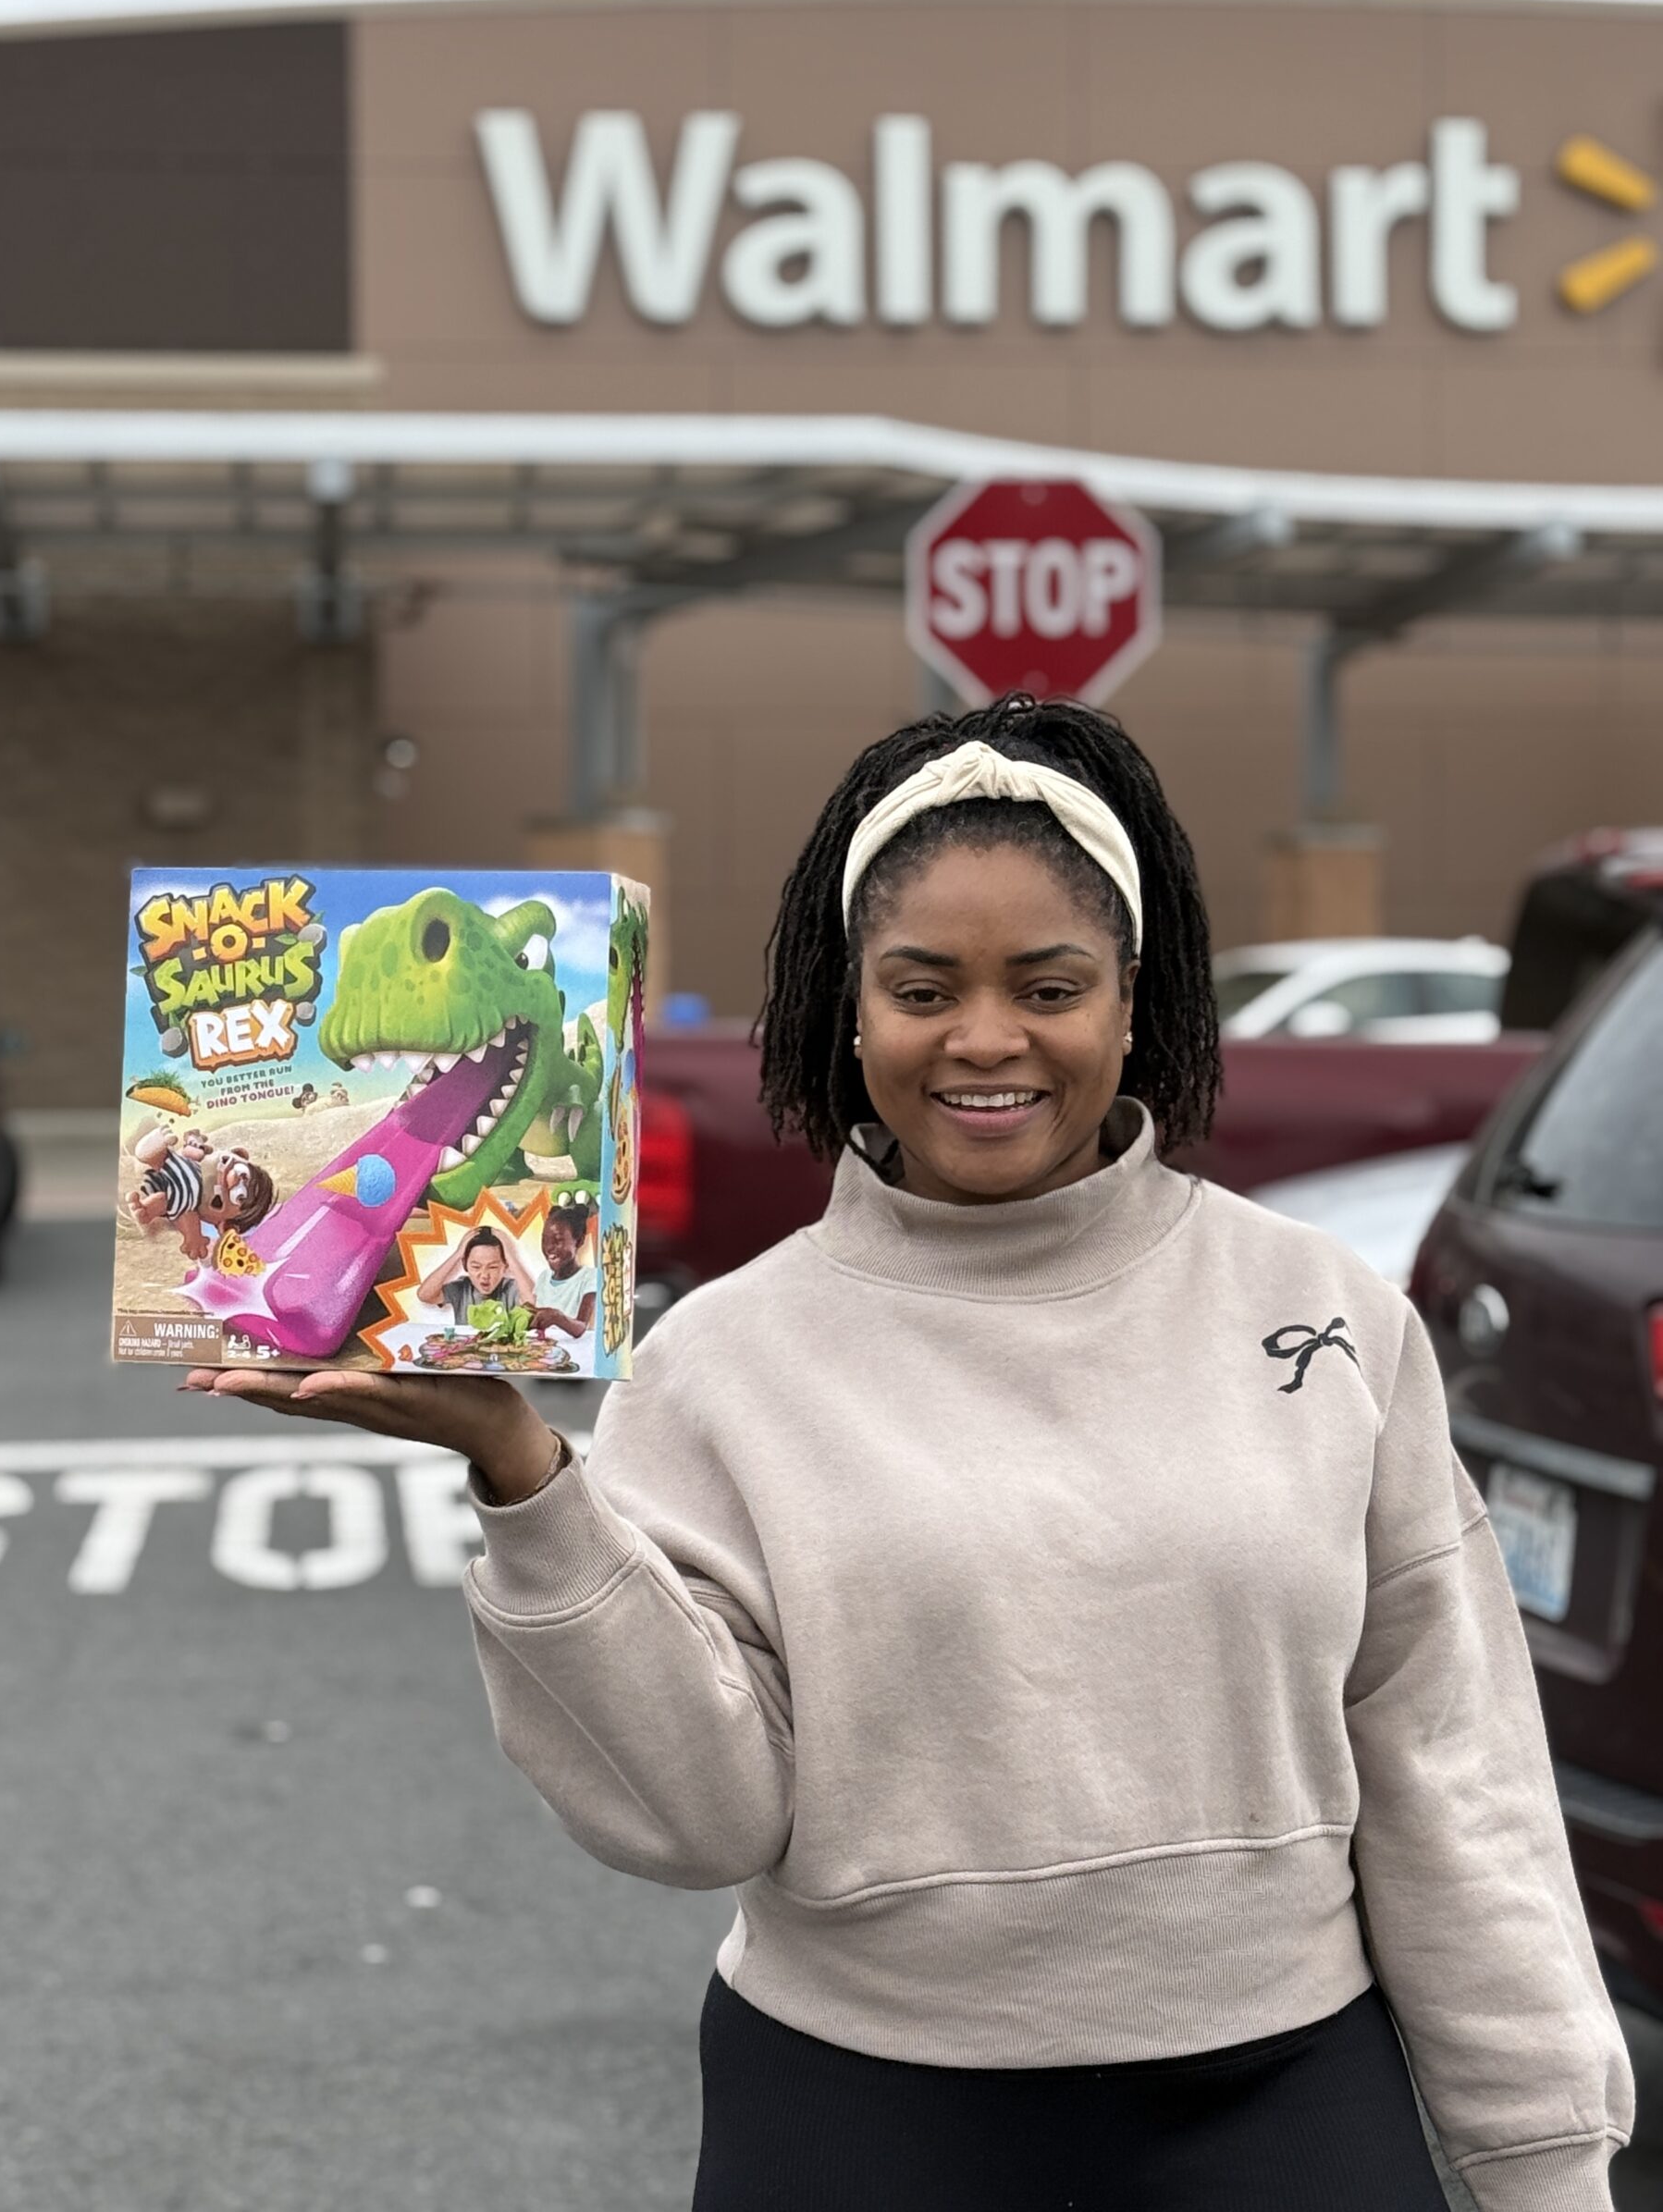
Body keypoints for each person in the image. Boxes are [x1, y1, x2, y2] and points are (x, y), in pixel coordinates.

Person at [184, 694, 1633, 2212]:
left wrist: (1541, 2161)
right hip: (860, 2116)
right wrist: (523, 1474)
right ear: (852, 1010)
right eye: (922, 987)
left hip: (1280, 2101)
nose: (985, 1038)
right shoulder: (724, 1361)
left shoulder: (1321, 1312)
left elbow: (1454, 1772)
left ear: (1132, 1002)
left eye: (1048, 985)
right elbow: (697, 1820)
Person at [525, 1196, 597, 1343]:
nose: (549, 1247)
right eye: (544, 1240)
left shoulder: (589, 1277)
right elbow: (539, 1321)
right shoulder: (544, 1277)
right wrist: (528, 1313)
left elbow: (581, 1327)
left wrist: (557, 1317)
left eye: (557, 1240)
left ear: (579, 1241)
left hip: (575, 1354)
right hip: (543, 1352)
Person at [420, 1227, 524, 1327]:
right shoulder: (462, 1289)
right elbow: (425, 1295)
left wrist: (510, 1256)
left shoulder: (511, 1287)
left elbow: (535, 1303)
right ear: (465, 1265)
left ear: (505, 1265)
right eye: (476, 1267)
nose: (484, 1275)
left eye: (493, 1267)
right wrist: (457, 1254)